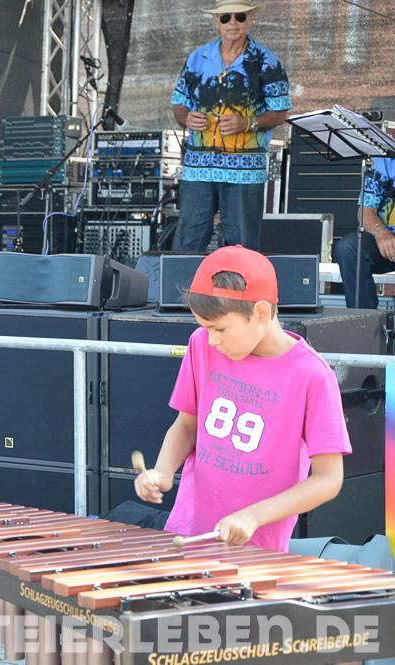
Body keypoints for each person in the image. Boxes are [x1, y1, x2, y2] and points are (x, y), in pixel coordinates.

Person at [134, 246, 349, 552]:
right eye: (205, 328)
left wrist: (254, 516)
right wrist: (163, 471)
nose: (212, 340)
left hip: (255, 550)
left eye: (220, 329)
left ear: (260, 312)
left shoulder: (312, 375)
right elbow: (186, 426)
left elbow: (329, 479)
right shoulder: (201, 344)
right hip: (186, 533)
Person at [170, 0, 290, 252]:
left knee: (242, 247)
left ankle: (237, 281)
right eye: (225, 17)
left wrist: (248, 123)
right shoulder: (197, 58)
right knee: (187, 244)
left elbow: (280, 113)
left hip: (244, 172)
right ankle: (184, 282)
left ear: (251, 19)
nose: (232, 23)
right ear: (216, 21)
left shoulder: (267, 62)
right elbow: (179, 104)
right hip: (198, 170)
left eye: (240, 16)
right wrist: (187, 117)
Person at [333, 158, 395, 309]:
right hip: (389, 242)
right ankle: (364, 318)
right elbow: (366, 211)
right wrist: (381, 233)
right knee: (349, 248)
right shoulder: (384, 160)